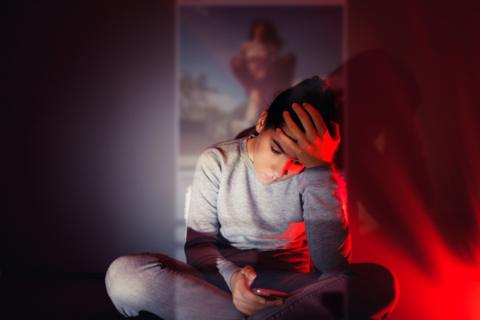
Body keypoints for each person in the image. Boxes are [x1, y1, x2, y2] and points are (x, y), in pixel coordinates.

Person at [105, 76, 398, 320]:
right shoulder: (217, 160)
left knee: (380, 282)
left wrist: (320, 170)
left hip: (292, 293)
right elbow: (199, 245)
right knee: (125, 274)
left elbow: (332, 267)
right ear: (261, 123)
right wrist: (234, 281)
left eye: (298, 161)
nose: (282, 170)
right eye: (277, 149)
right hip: (219, 285)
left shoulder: (322, 176)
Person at [230, 19, 296, 134]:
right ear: (254, 32)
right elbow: (241, 60)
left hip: (267, 76)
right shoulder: (247, 47)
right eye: (258, 31)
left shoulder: (269, 47)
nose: (260, 34)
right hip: (254, 77)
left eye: (263, 31)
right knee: (256, 94)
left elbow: (275, 58)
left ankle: (269, 122)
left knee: (266, 97)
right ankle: (250, 121)